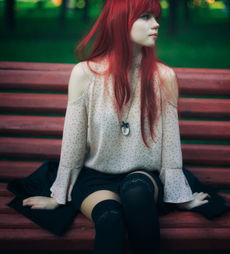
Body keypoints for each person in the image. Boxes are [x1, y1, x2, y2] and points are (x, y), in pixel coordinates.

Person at [8, 0, 217, 253]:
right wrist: (57, 196)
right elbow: (73, 143)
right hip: (94, 177)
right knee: (110, 219)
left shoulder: (163, 77)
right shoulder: (85, 75)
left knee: (136, 194)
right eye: (145, 17)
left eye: (156, 17)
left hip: (141, 176)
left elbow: (170, 147)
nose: (156, 24)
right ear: (120, 22)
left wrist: (181, 196)